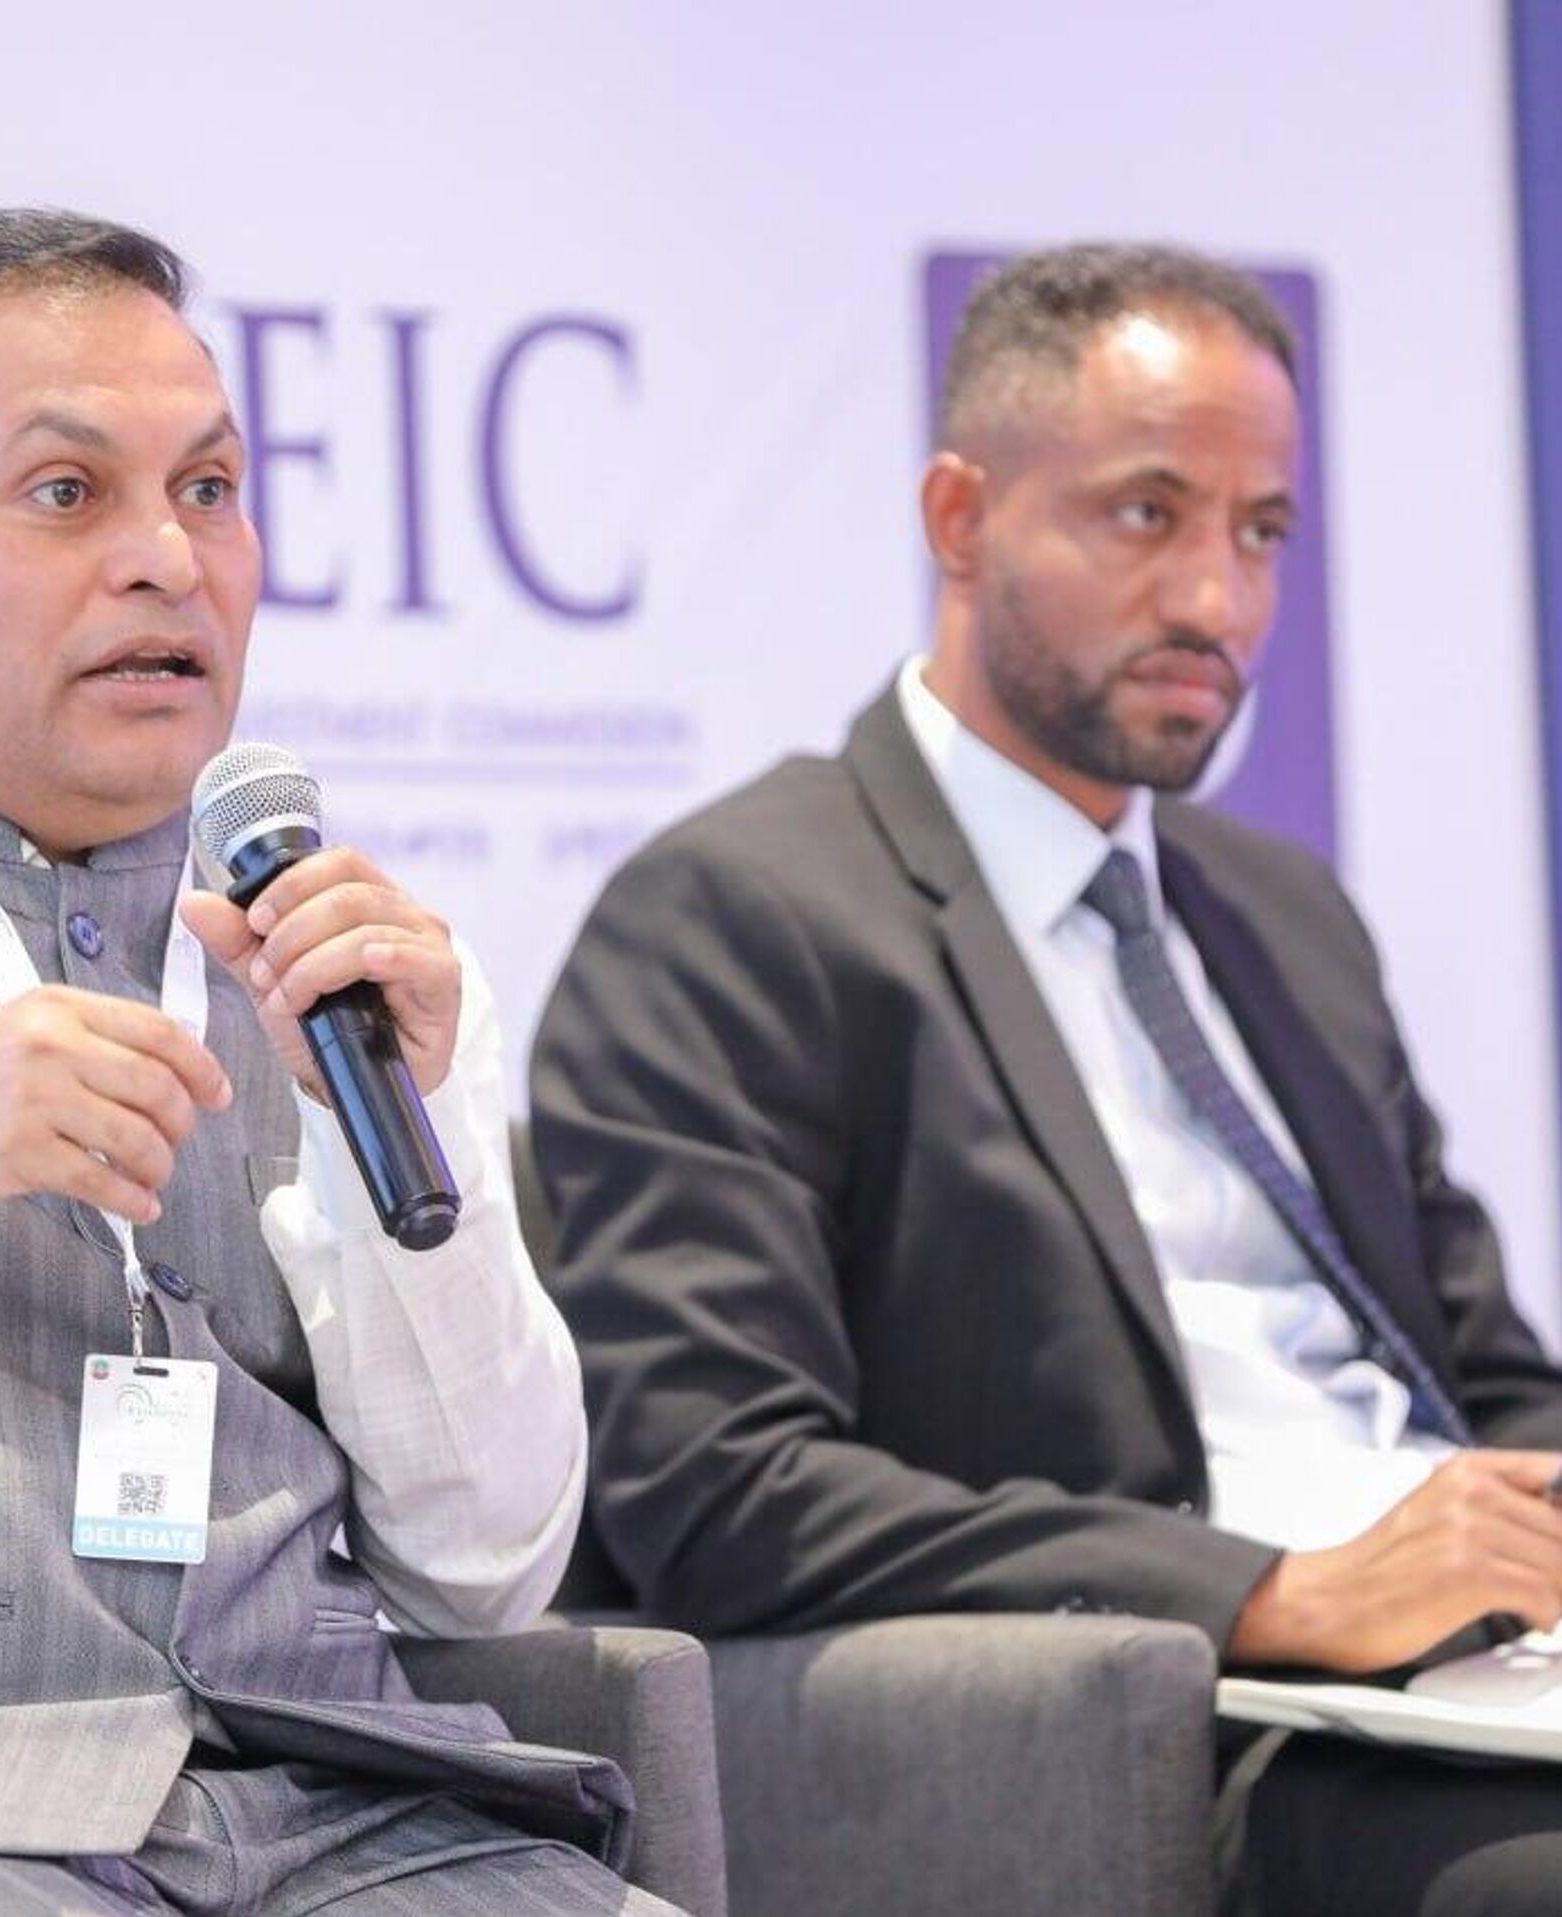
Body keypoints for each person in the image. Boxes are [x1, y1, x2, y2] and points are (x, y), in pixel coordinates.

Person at [0, 207, 683, 1916]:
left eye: (209, 489)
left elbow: (483, 1572)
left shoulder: (344, 958)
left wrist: (388, 1140)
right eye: (69, 492)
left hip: (345, 1819)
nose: (167, 560)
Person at [532, 242, 1562, 1915]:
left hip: (1480, 1664)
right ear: (961, 517)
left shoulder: (1287, 915)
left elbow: (1486, 1374)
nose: (1218, 599)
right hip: (1213, 1711)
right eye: (1149, 513)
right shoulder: (735, 914)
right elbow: (721, 1486)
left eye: (1262, 531)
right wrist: (1270, 1591)